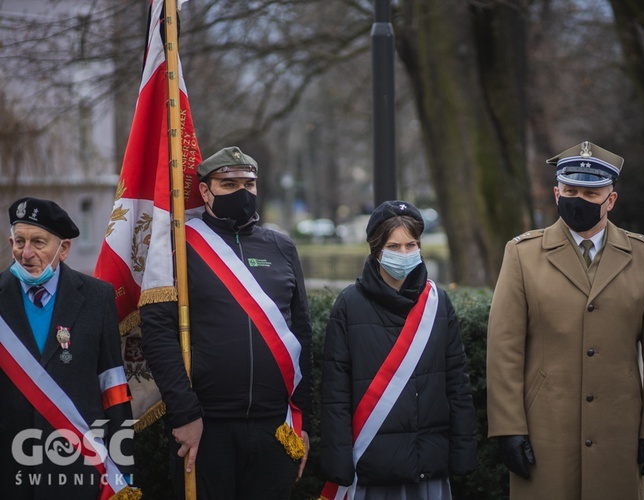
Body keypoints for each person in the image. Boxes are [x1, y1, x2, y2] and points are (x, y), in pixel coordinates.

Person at [486, 141, 644, 499]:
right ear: (557, 194)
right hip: (546, 432)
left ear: (611, 199)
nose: (579, 199)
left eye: (591, 192)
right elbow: (504, 349)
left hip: (619, 432)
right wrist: (507, 427)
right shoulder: (522, 254)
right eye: (571, 190)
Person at [140, 146, 313, 499]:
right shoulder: (178, 246)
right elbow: (158, 334)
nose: (242, 193)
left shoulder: (281, 247)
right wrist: (185, 414)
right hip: (205, 427)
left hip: (275, 427)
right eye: (229, 184)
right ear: (205, 190)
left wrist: (303, 418)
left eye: (249, 184)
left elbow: (301, 334)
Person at [320, 200, 477, 500]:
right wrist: (338, 461)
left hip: (428, 465)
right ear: (376, 249)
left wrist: (463, 450)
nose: (404, 254)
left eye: (411, 244)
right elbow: (335, 395)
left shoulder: (438, 303)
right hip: (372, 467)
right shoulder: (349, 305)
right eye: (393, 246)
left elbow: (457, 385)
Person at [0, 197, 136, 499]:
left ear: (63, 249)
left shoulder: (97, 298)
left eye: (38, 242)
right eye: (19, 241)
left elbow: (113, 386)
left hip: (77, 465)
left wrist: (123, 464)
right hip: (9, 465)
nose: (27, 253)